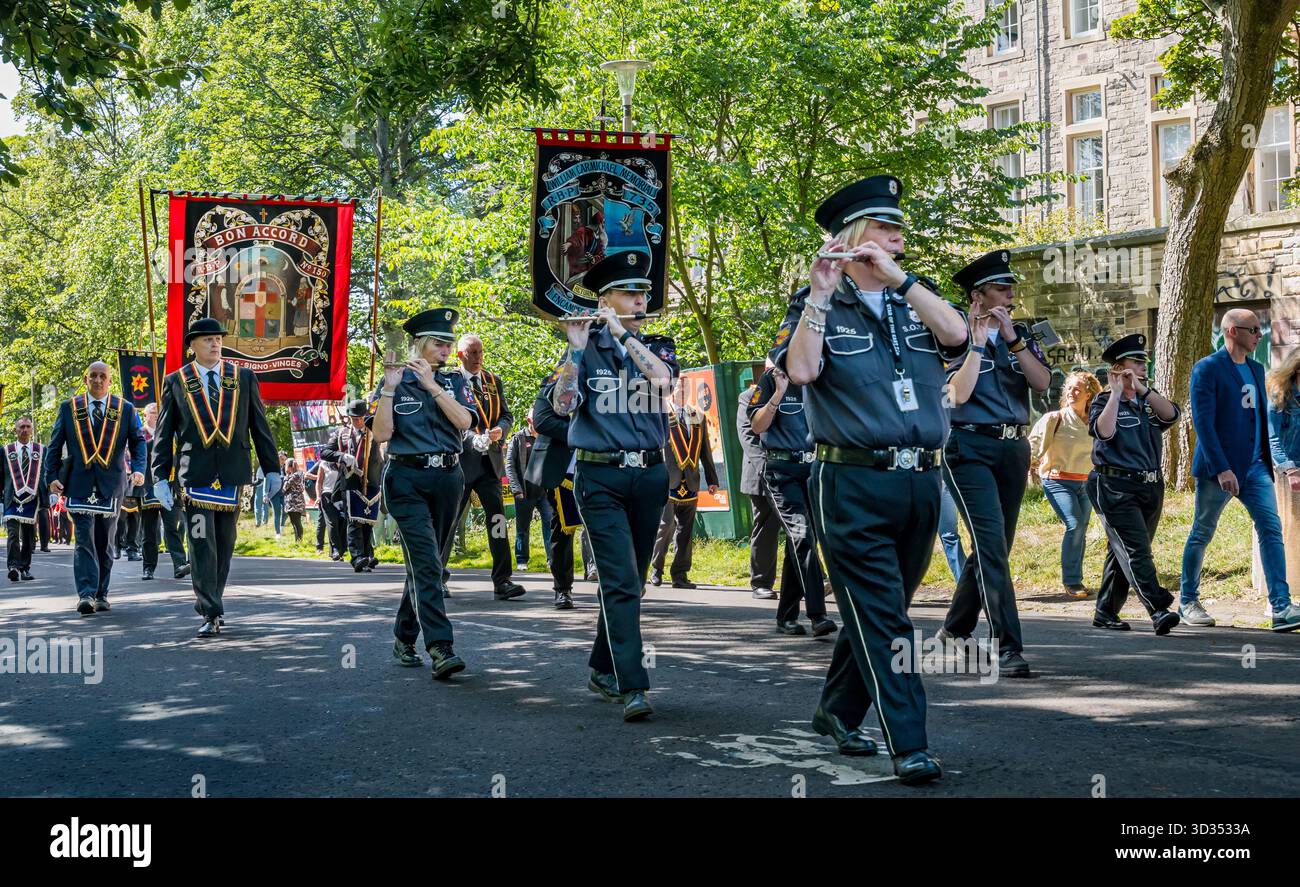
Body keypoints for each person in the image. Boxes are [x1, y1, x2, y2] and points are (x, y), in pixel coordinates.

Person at [779, 174, 967, 784]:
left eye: (899, 231)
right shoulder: (816, 306)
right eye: (886, 229)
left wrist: (903, 283)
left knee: (880, 608)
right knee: (888, 619)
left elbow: (958, 337)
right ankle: (908, 741)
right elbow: (802, 371)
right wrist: (818, 294)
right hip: (851, 483)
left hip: (919, 481)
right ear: (857, 238)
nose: (898, 238)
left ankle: (836, 709)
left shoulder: (919, 296)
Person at [553, 250, 678, 722]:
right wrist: (575, 349)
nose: (640, 299)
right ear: (604, 299)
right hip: (600, 475)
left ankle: (601, 667)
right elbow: (564, 405)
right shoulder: (585, 349)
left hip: (649, 474)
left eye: (643, 292)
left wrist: (624, 331)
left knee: (634, 582)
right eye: (629, 292)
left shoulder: (659, 346)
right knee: (620, 580)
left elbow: (663, 383)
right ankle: (633, 685)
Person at [939, 249, 1051, 678]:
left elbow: (1042, 383)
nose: (1010, 294)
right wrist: (979, 343)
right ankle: (1008, 646)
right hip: (967, 447)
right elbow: (957, 395)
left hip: (1012, 448)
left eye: (1012, 288)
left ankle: (955, 626)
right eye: (1002, 288)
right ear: (978, 294)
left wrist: (1012, 340)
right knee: (990, 545)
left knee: (994, 547)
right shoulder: (953, 335)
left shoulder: (1018, 333)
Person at [151, 317, 280, 638]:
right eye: (207, 339)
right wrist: (158, 476)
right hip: (194, 476)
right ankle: (209, 610)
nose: (215, 343)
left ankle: (214, 600)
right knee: (200, 544)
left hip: (233, 475)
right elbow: (163, 434)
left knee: (224, 545)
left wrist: (272, 467)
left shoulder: (243, 377)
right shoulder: (177, 381)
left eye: (218, 338)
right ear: (192, 345)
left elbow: (259, 428)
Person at [1180, 309, 1300, 632]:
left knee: (1271, 529)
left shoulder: (1257, 368)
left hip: (1255, 468)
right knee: (1202, 531)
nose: (1259, 335)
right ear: (1232, 331)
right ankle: (1188, 600)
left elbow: (1260, 418)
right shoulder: (1206, 370)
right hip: (1219, 470)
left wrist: (1269, 460)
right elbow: (1203, 424)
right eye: (1253, 330)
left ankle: (1281, 606)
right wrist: (1222, 469)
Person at [372, 307, 476, 678]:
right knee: (429, 563)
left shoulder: (455, 382)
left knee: (427, 563)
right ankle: (440, 646)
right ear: (419, 343)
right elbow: (382, 435)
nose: (445, 350)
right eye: (438, 343)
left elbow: (465, 422)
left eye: (449, 344)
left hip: (448, 478)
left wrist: (433, 386)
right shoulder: (393, 381)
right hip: (406, 479)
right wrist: (388, 387)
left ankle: (403, 636)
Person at [1086, 334, 1183, 634]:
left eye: (1145, 362)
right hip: (1114, 485)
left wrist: (1141, 389)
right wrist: (1116, 393)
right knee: (1136, 551)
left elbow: (1172, 414)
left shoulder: (1148, 402)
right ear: (1118, 368)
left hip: (1150, 485)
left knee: (1124, 551)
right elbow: (1103, 432)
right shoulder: (1102, 401)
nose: (1144, 366)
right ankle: (1157, 607)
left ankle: (1105, 612)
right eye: (1137, 362)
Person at [45, 361, 147, 614]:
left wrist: (138, 469)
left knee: (105, 542)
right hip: (79, 484)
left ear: (110, 381)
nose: (98, 380)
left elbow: (138, 442)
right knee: (83, 540)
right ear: (86, 379)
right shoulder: (70, 408)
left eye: (103, 376)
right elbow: (55, 445)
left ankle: (102, 592)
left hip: (111, 485)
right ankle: (86, 594)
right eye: (93, 376)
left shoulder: (124, 409)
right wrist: (51, 476)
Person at [747, 365, 837, 637]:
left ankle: (786, 615)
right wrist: (778, 394)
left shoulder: (818, 376)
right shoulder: (771, 378)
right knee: (802, 536)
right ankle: (818, 614)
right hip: (781, 471)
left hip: (813, 470)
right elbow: (757, 424)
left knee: (799, 545)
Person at [444, 334, 525, 601]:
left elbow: (506, 414)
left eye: (480, 352)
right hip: (461, 461)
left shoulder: (492, 380)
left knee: (498, 521)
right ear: (461, 356)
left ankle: (502, 580)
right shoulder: (451, 382)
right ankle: (437, 577)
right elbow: (448, 421)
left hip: (490, 463)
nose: (478, 358)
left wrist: (502, 429)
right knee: (450, 522)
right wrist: (471, 439)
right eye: (473, 353)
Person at [1028, 370, 1102, 598]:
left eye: (1078, 388)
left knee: (1081, 528)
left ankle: (1076, 578)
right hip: (1057, 480)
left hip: (1085, 483)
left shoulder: (1095, 421)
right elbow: (1033, 444)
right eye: (1069, 388)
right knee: (1075, 524)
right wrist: (1027, 466)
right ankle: (1072, 580)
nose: (1072, 392)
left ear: (1089, 394)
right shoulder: (1054, 418)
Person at [527, 363, 593, 609]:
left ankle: (616, 584)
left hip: (599, 466)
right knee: (562, 532)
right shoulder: (555, 379)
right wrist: (583, 433)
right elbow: (542, 421)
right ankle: (563, 588)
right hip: (562, 468)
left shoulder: (604, 380)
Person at [650, 377, 719, 589]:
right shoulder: (662, 415)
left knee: (686, 532)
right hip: (667, 479)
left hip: (691, 480)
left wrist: (712, 479)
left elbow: (705, 451)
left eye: (686, 389)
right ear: (672, 390)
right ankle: (656, 570)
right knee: (665, 527)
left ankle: (680, 574)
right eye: (679, 388)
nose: (682, 392)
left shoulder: (697, 416)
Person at [321, 400, 382, 572]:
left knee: (368, 520)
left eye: (361, 418)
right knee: (354, 520)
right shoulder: (341, 434)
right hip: (350, 482)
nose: (358, 422)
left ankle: (368, 554)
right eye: (355, 418)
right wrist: (342, 456)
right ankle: (357, 557)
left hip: (371, 481)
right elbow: (324, 453)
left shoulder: (373, 432)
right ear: (349, 418)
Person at [736, 377, 779, 600]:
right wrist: (769, 470)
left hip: (788, 472)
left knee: (802, 527)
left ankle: (815, 575)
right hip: (761, 475)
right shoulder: (748, 398)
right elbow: (748, 439)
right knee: (766, 527)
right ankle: (760, 581)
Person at [137, 402, 189, 581]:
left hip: (170, 486)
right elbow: (135, 458)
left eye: (160, 412)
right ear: (146, 415)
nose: (157, 415)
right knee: (149, 531)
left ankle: (179, 564)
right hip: (148, 487)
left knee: (172, 528)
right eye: (153, 412)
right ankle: (148, 567)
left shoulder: (171, 434)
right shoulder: (139, 434)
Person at [1267, 348, 1300, 603]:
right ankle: (1283, 590)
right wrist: (1290, 469)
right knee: (1288, 531)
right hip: (1286, 472)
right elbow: (1273, 439)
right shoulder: (1280, 397)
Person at [505, 410, 554, 570]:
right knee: (522, 528)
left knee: (550, 523)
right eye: (537, 421)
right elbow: (510, 466)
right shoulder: (518, 438)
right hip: (524, 492)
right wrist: (516, 489)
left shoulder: (546, 437)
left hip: (544, 492)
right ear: (529, 420)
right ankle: (521, 560)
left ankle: (551, 559)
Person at [3, 416, 46, 582]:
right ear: (15, 430)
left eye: (28, 427)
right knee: (13, 534)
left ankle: (25, 568)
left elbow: (45, 473)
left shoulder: (41, 450)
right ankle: (13, 566)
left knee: (28, 537)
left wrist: (50, 493)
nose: (25, 430)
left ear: (32, 430)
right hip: (11, 498)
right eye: (21, 427)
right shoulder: (6, 450)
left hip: (31, 499)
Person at [282, 458, 308, 542]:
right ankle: (297, 541)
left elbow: (285, 487)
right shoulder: (299, 474)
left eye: (286, 466)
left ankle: (299, 541)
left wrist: (286, 476)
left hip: (294, 502)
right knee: (295, 523)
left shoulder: (294, 476)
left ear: (289, 467)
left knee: (296, 523)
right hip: (297, 501)